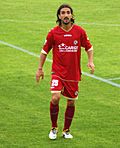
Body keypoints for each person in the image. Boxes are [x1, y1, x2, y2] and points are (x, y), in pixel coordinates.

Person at [36, 4, 95, 140]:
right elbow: (44, 51)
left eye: (68, 12)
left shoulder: (79, 31)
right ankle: (54, 128)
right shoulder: (53, 33)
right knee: (55, 98)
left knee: (71, 103)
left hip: (73, 74)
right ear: (59, 16)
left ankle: (66, 130)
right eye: (63, 13)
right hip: (57, 72)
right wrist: (40, 68)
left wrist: (90, 61)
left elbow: (89, 47)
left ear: (72, 15)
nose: (66, 15)